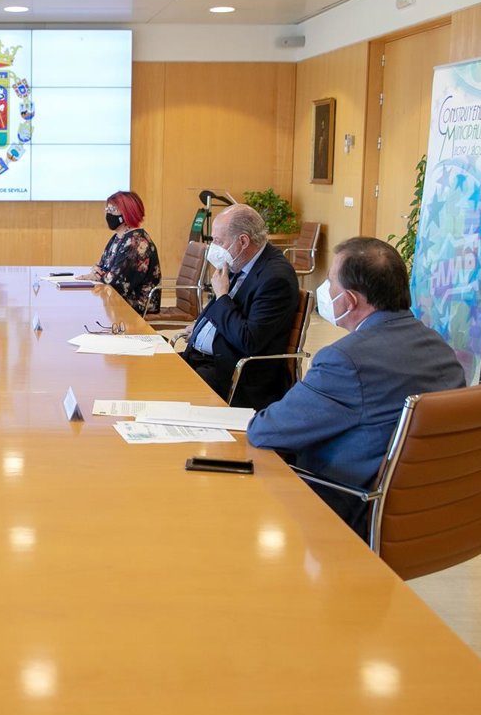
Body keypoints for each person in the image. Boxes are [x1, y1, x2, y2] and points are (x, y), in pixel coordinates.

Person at [246, 237, 465, 534]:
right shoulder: (440, 348)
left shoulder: (345, 361)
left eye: (330, 282)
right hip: (429, 512)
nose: (325, 290)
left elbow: (266, 431)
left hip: (346, 507)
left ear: (349, 300)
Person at [178, 204, 299, 409]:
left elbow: (248, 340)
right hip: (203, 360)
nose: (213, 247)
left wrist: (222, 295)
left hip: (233, 373)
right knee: (151, 367)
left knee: (165, 391)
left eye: (218, 241)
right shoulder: (239, 262)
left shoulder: (276, 278)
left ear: (243, 241)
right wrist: (199, 327)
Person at [76, 190, 161, 313]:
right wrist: (98, 272)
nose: (108, 214)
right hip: (119, 300)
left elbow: (116, 283)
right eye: (107, 209)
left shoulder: (137, 243)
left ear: (128, 212)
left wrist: (98, 274)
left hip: (137, 305)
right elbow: (102, 266)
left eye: (113, 210)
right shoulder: (119, 237)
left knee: (86, 309)